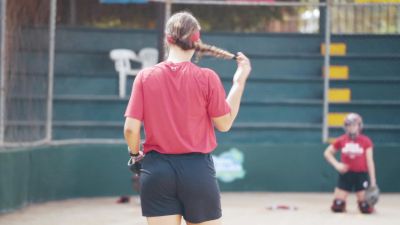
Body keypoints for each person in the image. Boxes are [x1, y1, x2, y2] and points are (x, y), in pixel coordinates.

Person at [123, 11, 251, 225]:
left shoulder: (145, 77)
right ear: (196, 41)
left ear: (167, 39)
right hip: (197, 170)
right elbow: (224, 123)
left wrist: (135, 156)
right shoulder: (207, 77)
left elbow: (130, 129)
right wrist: (238, 83)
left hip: (156, 170)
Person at [324, 113, 377, 214]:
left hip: (361, 175)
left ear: (359, 126)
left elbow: (370, 162)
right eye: (349, 125)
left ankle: (365, 204)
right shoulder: (342, 139)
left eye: (354, 125)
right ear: (345, 126)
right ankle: (342, 203)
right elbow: (327, 153)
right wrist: (337, 164)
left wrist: (373, 182)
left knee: (365, 207)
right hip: (346, 175)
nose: (351, 127)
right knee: (337, 206)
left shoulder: (366, 141)